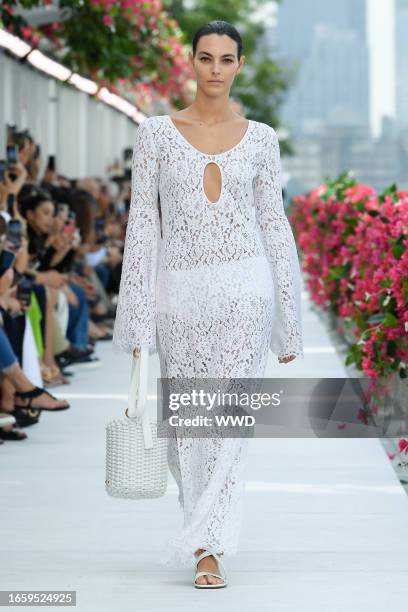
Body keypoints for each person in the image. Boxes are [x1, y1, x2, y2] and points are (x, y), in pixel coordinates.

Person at [112, 20, 304, 589]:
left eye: (226, 59)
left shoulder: (263, 138)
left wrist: (287, 322)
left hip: (247, 294)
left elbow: (274, 224)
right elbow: (143, 227)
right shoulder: (155, 134)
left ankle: (208, 547)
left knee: (229, 423)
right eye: (205, 57)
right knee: (189, 424)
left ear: (239, 64)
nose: (215, 69)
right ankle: (201, 529)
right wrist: (138, 320)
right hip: (180, 298)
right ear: (192, 63)